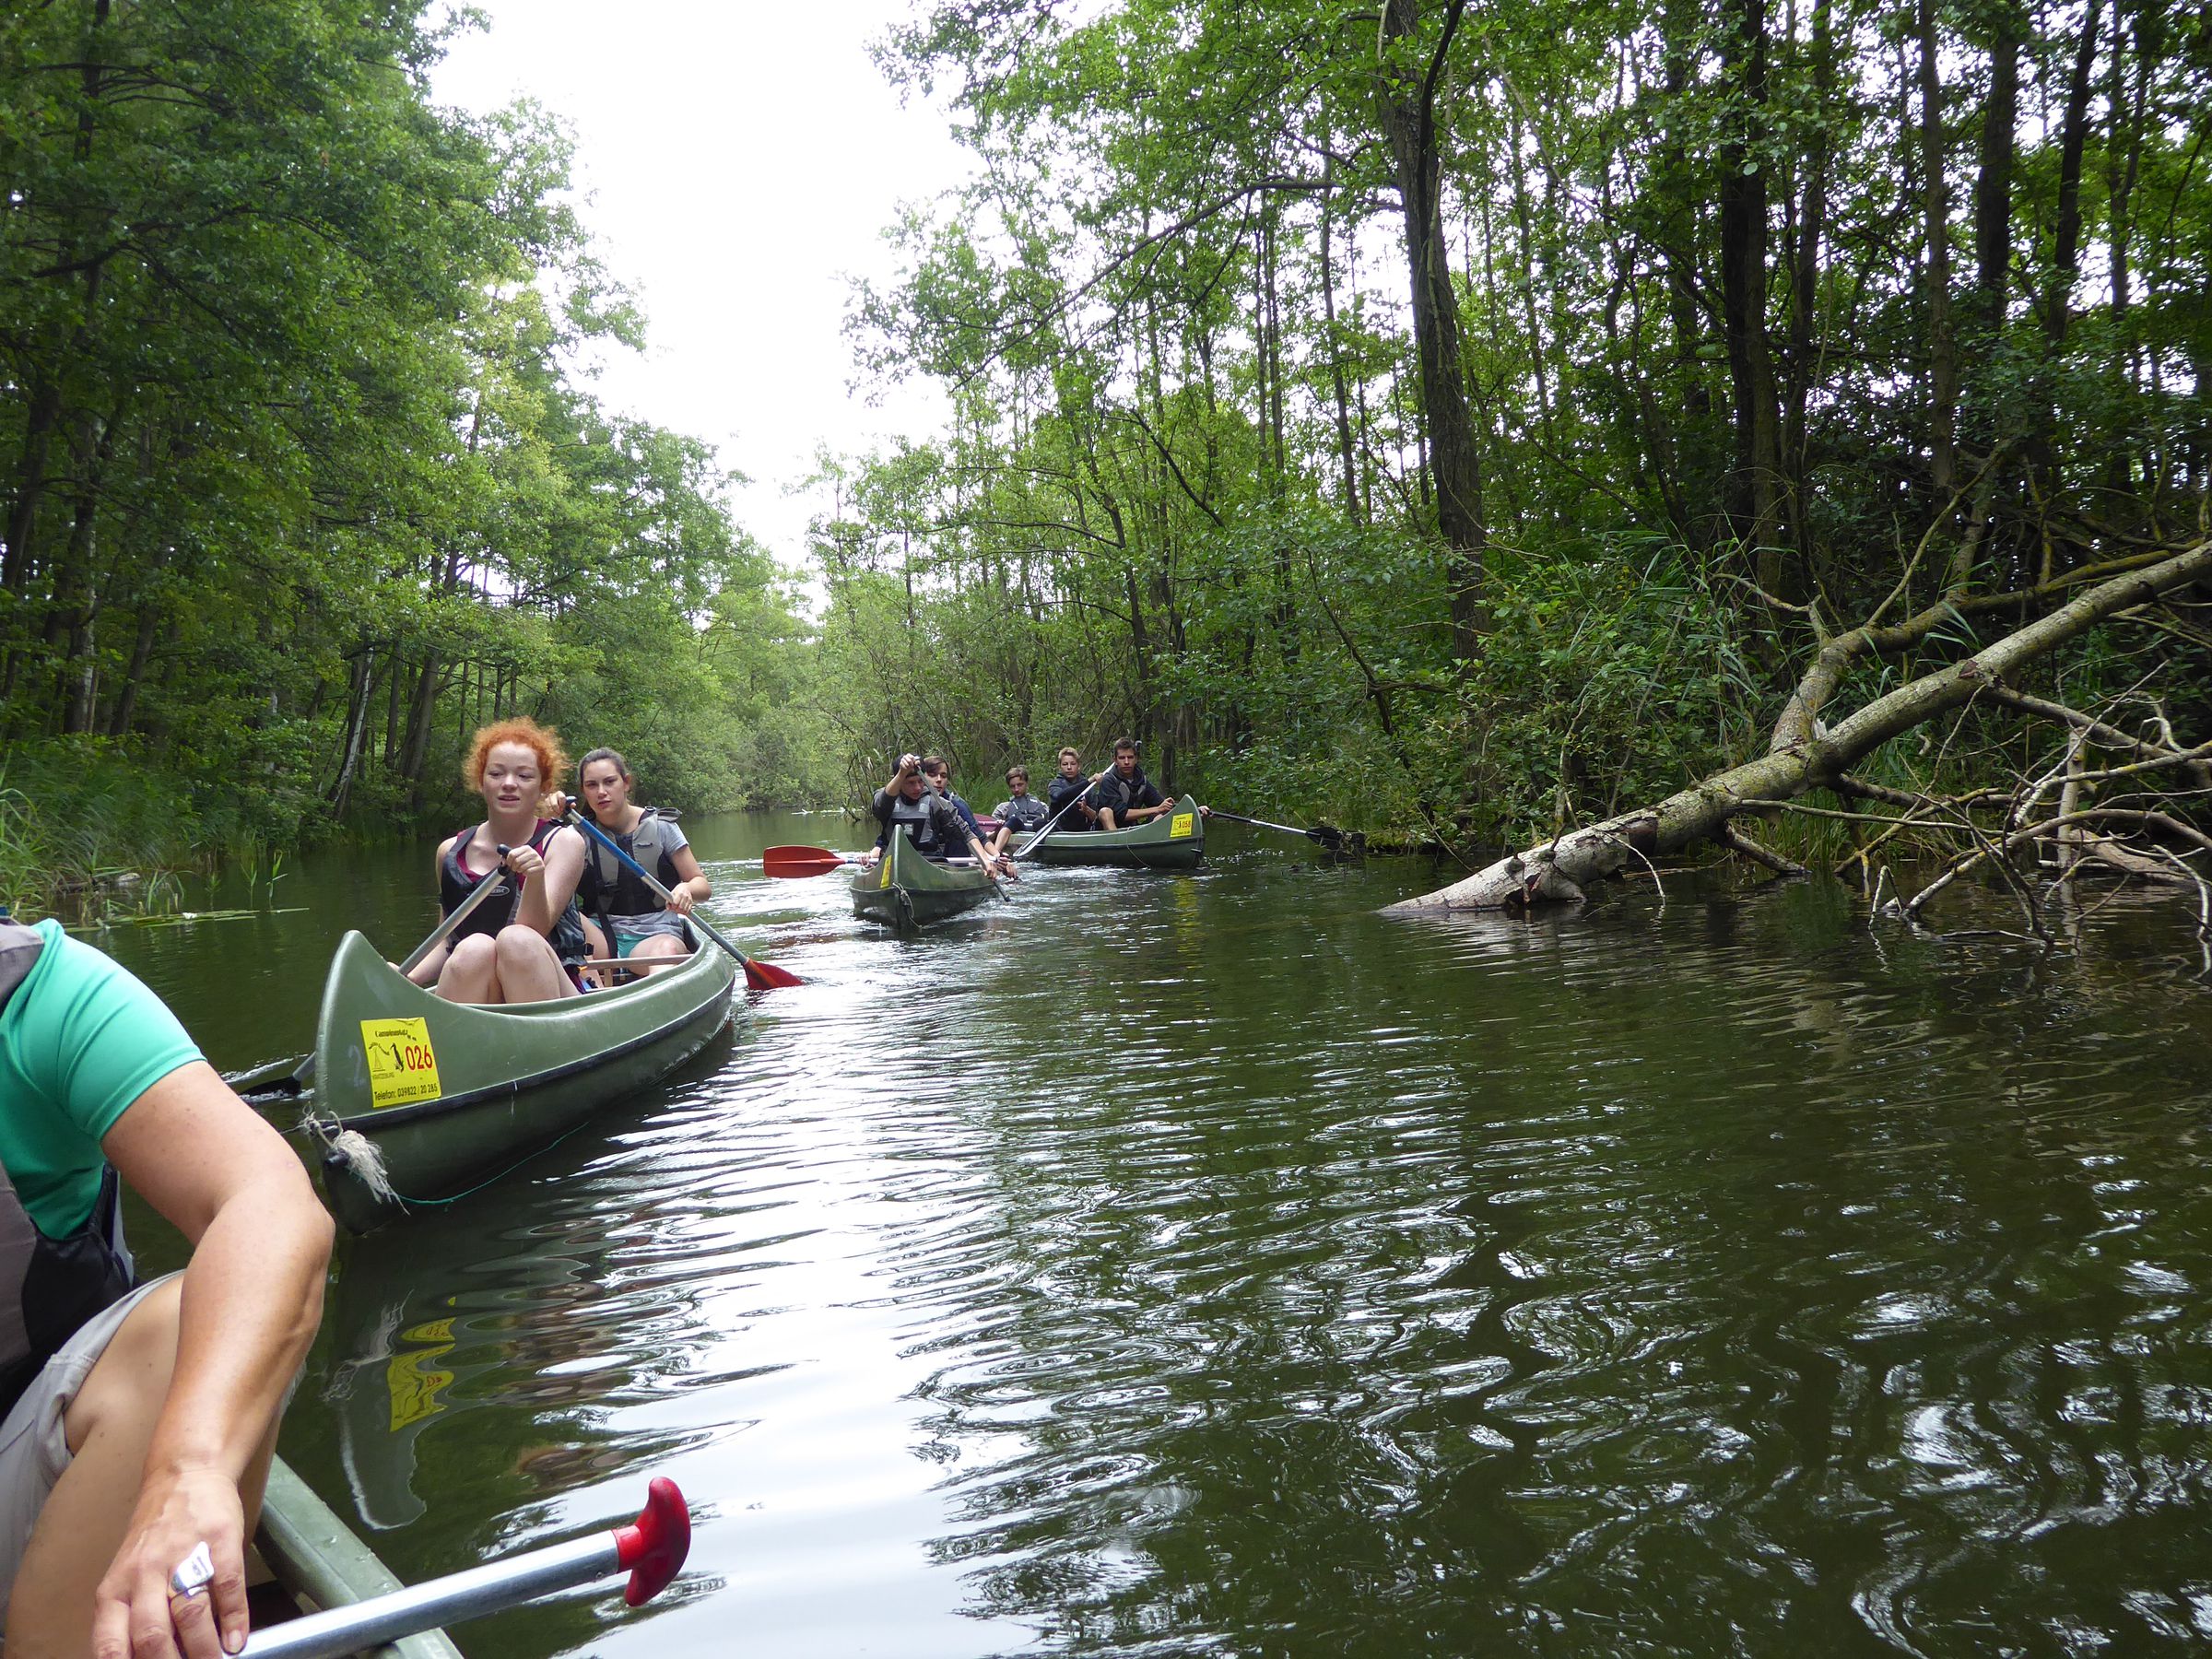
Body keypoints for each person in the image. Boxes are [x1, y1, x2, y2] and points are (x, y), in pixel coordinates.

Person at [0, 914, 334, 1659]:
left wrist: (191, 1465)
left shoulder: (47, 995)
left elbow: (270, 1202)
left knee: (184, 1327)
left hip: (15, 1445)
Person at [409, 718, 591, 1003]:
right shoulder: (450, 851)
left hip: (550, 988)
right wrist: (407, 977)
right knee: (473, 947)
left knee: (515, 940)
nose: (509, 784)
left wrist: (536, 877)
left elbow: (534, 932)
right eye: (496, 774)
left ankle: (539, 1040)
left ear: (543, 787)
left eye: (524, 776)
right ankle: (461, 1041)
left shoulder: (564, 842)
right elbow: (447, 941)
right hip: (483, 984)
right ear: (481, 782)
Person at [575, 748, 709, 977]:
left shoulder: (662, 827)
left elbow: (703, 886)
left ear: (626, 783)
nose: (601, 792)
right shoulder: (575, 835)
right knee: (563, 916)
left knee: (665, 950)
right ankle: (592, 994)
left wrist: (686, 888)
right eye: (591, 785)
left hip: (655, 936)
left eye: (609, 782)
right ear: (583, 791)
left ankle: (660, 998)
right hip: (600, 938)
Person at [864, 754, 1014, 876]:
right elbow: (882, 805)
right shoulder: (884, 798)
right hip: (893, 864)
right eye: (910, 783)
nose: (917, 788)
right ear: (899, 780)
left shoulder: (937, 803)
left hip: (930, 865)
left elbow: (967, 833)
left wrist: (985, 859)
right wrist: (902, 772)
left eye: (920, 782)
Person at [1092, 737, 1178, 830]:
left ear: (1136, 759)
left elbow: (1159, 803)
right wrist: (1157, 809)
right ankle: (1117, 842)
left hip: (1132, 828)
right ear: (1115, 760)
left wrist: (1168, 806)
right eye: (1122, 758)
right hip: (1109, 831)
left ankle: (1150, 842)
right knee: (1105, 811)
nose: (1126, 762)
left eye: (1130, 757)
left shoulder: (1141, 780)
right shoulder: (1108, 781)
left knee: (1161, 815)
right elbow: (1122, 814)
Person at [917, 756, 985, 845]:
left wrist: (996, 855)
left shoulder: (956, 804)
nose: (939, 780)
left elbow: (978, 837)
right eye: (932, 775)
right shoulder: (906, 802)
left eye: (943, 776)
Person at [987, 765, 1050, 856]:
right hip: (1017, 829)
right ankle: (995, 855)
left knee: (1039, 822)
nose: (1016, 789)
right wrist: (998, 828)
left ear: (1026, 783)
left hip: (1037, 830)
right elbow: (989, 836)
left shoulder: (1043, 806)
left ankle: (1043, 854)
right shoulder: (1003, 808)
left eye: (1020, 785)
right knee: (1013, 821)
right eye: (1013, 786)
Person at [1046, 747, 1100, 833]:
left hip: (1083, 831)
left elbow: (1096, 818)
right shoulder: (1054, 784)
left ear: (1078, 765)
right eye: (1065, 764)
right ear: (1060, 766)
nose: (1069, 767)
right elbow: (1060, 796)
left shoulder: (1089, 788)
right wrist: (1089, 781)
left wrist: (1086, 810)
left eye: (1073, 764)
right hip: (1060, 831)